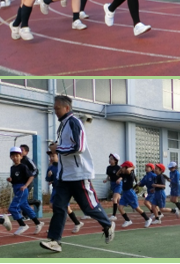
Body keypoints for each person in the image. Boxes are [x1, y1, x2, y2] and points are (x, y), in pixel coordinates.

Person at [40, 96, 115, 253]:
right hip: (64, 176)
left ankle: (108, 224)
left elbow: (79, 147)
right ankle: (54, 241)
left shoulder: (74, 122)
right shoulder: (62, 126)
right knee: (59, 207)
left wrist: (58, 149)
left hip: (78, 174)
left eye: (57, 108)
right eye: (54, 108)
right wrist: (58, 147)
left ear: (66, 108)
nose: (55, 111)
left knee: (88, 207)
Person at [7, 147, 44, 235]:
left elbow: (31, 176)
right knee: (25, 207)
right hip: (16, 188)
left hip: (22, 189)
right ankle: (38, 223)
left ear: (21, 156)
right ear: (10, 157)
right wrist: (10, 179)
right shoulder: (12, 168)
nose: (15, 158)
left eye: (17, 156)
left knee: (12, 208)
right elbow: (15, 179)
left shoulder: (23, 166)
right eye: (13, 156)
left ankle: (22, 224)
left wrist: (25, 186)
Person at [46, 148, 84, 233]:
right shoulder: (50, 168)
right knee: (55, 206)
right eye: (50, 156)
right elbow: (48, 179)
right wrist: (49, 177)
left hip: (62, 190)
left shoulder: (62, 166)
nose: (51, 158)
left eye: (53, 156)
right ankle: (77, 222)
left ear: (58, 156)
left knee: (60, 207)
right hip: (55, 189)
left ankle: (55, 227)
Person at [116, 161, 152, 228]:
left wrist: (132, 167)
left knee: (137, 208)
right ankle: (127, 220)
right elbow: (117, 174)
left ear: (127, 168)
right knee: (120, 207)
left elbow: (128, 170)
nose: (122, 169)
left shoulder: (130, 174)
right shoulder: (124, 174)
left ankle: (147, 219)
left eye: (123, 167)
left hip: (130, 193)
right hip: (125, 193)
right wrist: (121, 169)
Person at [20, 144, 41, 211]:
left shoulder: (28, 160)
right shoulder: (18, 160)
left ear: (26, 152)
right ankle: (34, 203)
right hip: (21, 182)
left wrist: (30, 177)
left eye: (22, 150)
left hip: (28, 182)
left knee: (22, 198)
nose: (20, 151)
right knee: (21, 198)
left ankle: (34, 203)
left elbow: (36, 170)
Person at [103, 153, 122, 221]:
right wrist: (106, 179)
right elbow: (109, 176)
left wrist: (119, 179)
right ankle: (131, 204)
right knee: (119, 200)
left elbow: (123, 176)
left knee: (114, 199)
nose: (110, 160)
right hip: (112, 184)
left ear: (115, 160)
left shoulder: (118, 168)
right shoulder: (108, 168)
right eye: (109, 158)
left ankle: (114, 215)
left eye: (111, 159)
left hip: (118, 184)